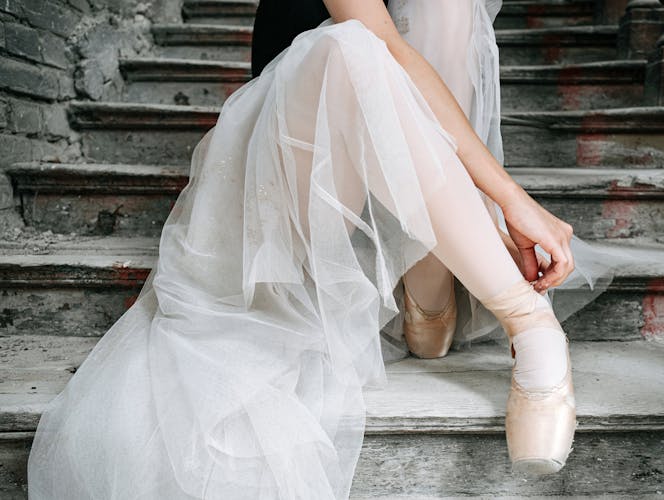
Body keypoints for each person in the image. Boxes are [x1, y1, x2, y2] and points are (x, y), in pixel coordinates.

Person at [27, 0, 613, 497]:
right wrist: (511, 199)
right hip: (301, 155)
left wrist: (499, 201)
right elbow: (385, 46)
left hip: (405, 177)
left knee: (446, 5)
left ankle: (428, 283)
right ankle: (527, 320)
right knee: (349, 46)